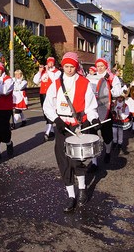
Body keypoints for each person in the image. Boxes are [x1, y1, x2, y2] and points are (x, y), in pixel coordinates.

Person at [42, 52, 100, 212]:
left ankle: (82, 189)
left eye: (72, 67)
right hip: (61, 124)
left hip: (77, 126)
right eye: (66, 66)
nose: (69, 69)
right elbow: (48, 106)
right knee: (63, 160)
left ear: (76, 67)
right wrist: (56, 119)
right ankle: (71, 196)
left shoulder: (85, 83)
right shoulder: (55, 83)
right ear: (63, 66)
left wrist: (94, 119)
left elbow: (91, 106)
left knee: (76, 160)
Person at [87, 57, 124, 172]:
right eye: (98, 66)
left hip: (106, 109)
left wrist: (109, 89)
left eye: (102, 66)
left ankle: (107, 152)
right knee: (92, 135)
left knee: (107, 135)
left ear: (106, 66)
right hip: (93, 109)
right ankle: (94, 162)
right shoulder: (92, 77)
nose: (100, 68)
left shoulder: (113, 77)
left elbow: (118, 92)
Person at [32, 57, 61, 141]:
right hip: (43, 93)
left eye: (51, 62)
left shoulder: (57, 72)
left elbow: (54, 79)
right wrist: (40, 71)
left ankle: (47, 132)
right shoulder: (43, 72)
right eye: (49, 62)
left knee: (51, 110)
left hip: (52, 94)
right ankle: (51, 131)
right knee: (45, 111)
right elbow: (35, 81)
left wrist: (48, 71)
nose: (50, 64)